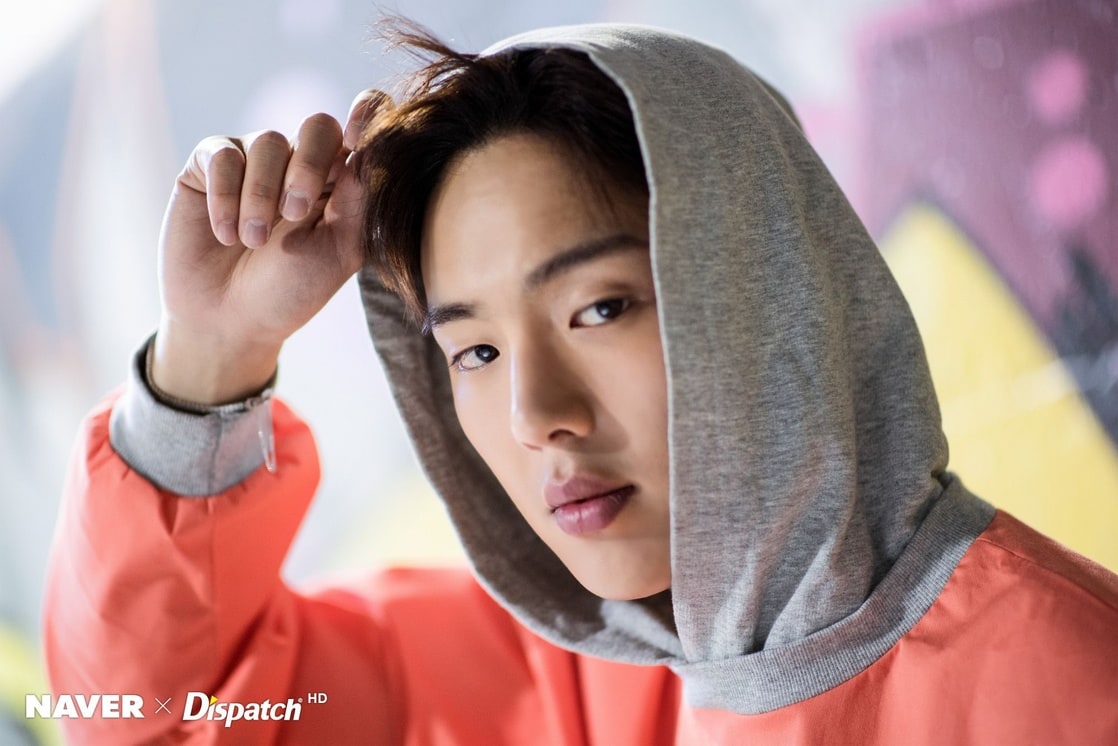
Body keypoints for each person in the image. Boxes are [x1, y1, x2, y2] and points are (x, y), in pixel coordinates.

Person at [43, 21, 1118, 745]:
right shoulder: (539, 677)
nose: (535, 416)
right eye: (474, 351)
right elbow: (156, 720)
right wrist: (212, 354)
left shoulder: (1071, 686)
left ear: (761, 282)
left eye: (598, 308)